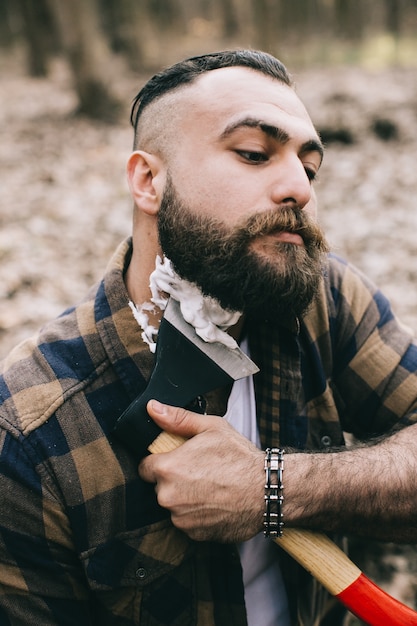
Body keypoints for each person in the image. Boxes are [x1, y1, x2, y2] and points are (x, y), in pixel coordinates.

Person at [0, 49, 416, 626]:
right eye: (254, 153)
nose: (299, 187)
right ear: (149, 181)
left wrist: (275, 486)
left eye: (310, 167)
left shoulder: (323, 299)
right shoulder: (32, 430)